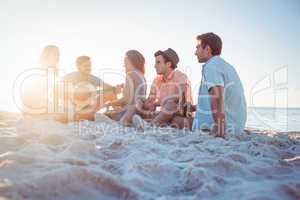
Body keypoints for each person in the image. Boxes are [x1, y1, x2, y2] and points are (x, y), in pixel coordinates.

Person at [188, 32, 247, 137]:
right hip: (236, 125)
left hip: (226, 128)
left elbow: (217, 98)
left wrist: (220, 134)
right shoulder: (225, 66)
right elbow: (220, 99)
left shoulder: (211, 66)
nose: (195, 53)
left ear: (207, 49)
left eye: (198, 48)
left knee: (177, 121)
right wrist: (193, 108)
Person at [120, 48, 193, 129]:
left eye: (158, 62)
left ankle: (149, 127)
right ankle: (122, 124)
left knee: (171, 104)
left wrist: (156, 103)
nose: (155, 66)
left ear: (168, 64)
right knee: (136, 105)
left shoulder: (180, 76)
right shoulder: (157, 80)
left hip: (179, 112)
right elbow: (150, 100)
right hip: (163, 114)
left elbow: (178, 97)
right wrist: (145, 103)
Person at [62, 56, 120, 121]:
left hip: (89, 107)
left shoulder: (93, 78)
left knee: (111, 93)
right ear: (78, 67)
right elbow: (57, 88)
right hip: (73, 108)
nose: (88, 68)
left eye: (89, 66)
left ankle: (118, 113)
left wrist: (115, 89)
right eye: (85, 66)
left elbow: (109, 87)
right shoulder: (70, 77)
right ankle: (76, 115)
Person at [104, 50, 147, 121]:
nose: (123, 65)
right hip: (138, 112)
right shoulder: (142, 75)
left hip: (127, 112)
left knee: (102, 115)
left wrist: (109, 103)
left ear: (130, 61)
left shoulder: (130, 74)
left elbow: (126, 99)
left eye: (125, 62)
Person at [21, 45, 61, 118]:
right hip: (33, 109)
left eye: (59, 54)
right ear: (47, 55)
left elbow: (55, 95)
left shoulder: (52, 73)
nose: (58, 57)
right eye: (55, 54)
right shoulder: (38, 70)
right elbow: (31, 96)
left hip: (41, 108)